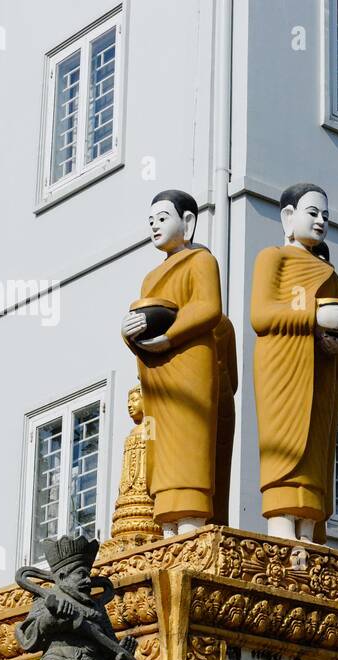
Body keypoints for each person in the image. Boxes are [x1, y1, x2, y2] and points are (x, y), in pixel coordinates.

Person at [122, 189, 236, 535]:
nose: (155, 226)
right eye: (151, 221)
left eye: (163, 218)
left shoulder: (201, 261)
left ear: (187, 222)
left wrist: (169, 336)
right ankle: (168, 525)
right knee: (164, 452)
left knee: (190, 445)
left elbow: (207, 308)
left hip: (190, 366)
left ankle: (192, 524)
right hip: (159, 374)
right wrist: (129, 333)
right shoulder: (150, 278)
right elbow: (141, 318)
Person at [250, 183, 338, 543]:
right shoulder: (273, 258)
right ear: (288, 216)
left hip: (321, 371)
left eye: (325, 216)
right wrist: (315, 315)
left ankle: (307, 538)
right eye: (312, 213)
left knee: (315, 455)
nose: (320, 221)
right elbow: (262, 315)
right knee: (285, 449)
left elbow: (334, 330)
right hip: (282, 367)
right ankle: (281, 532)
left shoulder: (331, 274)